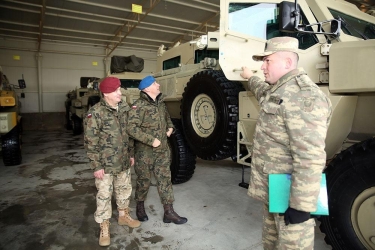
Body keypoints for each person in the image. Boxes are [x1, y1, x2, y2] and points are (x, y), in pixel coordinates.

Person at [240, 37, 332, 249]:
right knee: (271, 244)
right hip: (274, 191)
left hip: (292, 197)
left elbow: (310, 156)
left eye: (267, 61)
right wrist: (249, 76)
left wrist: (301, 207)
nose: (262, 66)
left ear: (288, 63)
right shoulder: (279, 90)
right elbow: (262, 92)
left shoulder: (304, 96)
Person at [84, 76, 141, 247]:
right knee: (104, 196)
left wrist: (131, 154)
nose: (120, 92)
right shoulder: (95, 113)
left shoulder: (124, 108)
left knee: (124, 190)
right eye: (116, 90)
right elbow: (90, 141)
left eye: (119, 89)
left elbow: (129, 134)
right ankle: (104, 226)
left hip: (123, 161)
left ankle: (123, 216)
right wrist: (96, 165)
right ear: (106, 93)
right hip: (105, 165)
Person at [127, 75, 187, 225]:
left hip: (162, 151)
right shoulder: (138, 106)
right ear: (147, 88)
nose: (158, 85)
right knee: (144, 181)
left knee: (165, 180)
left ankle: (169, 212)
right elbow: (131, 128)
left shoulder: (160, 103)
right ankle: (140, 207)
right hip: (144, 153)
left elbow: (167, 118)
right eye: (155, 83)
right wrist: (150, 140)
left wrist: (170, 128)